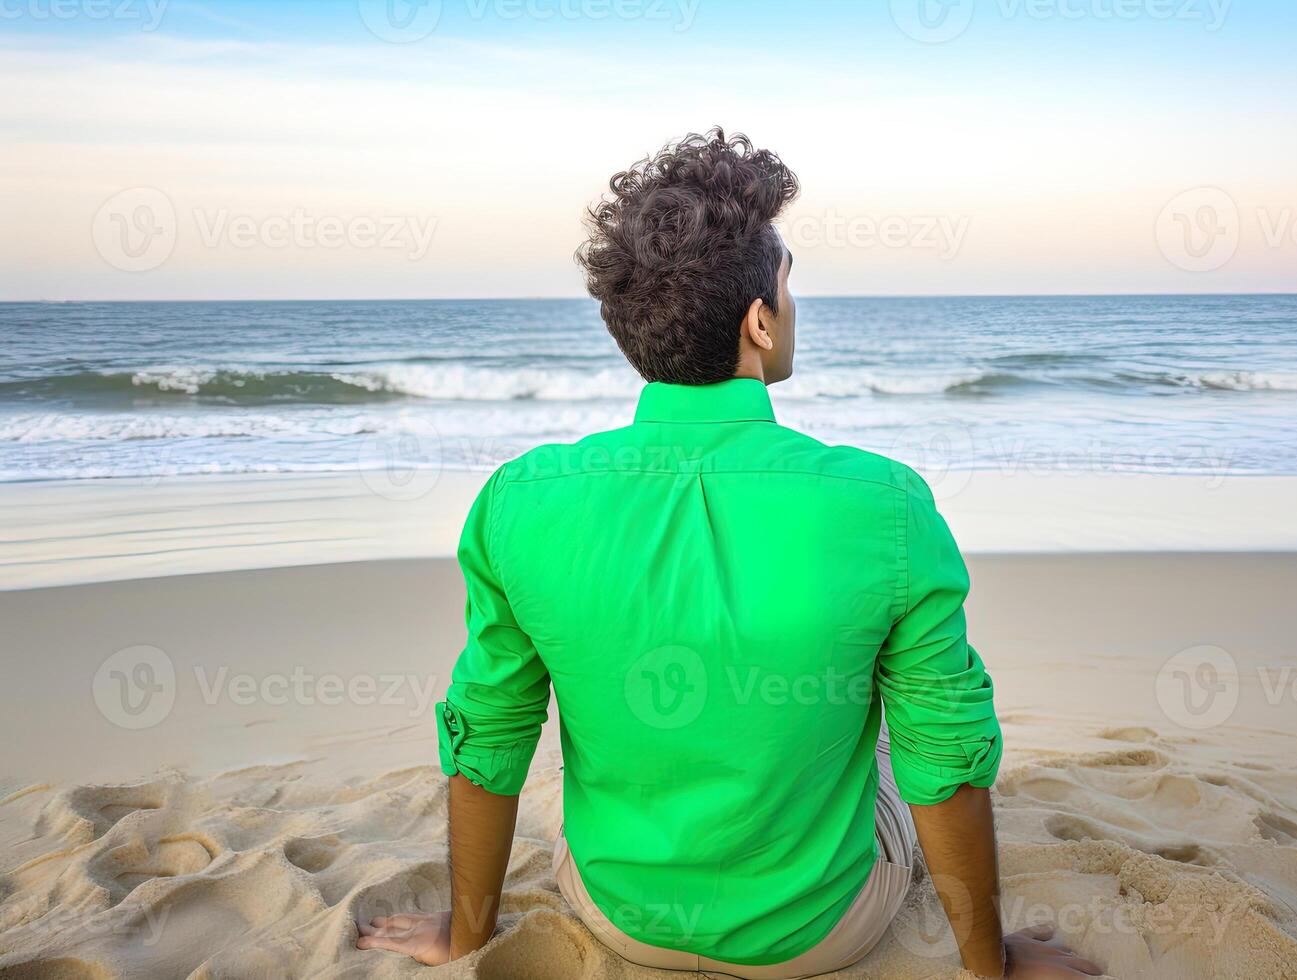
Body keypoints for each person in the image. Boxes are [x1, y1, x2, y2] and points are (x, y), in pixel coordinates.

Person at [356, 129, 1102, 979]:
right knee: (902, 738)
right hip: (822, 930)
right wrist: (990, 962)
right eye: (788, 288)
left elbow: (490, 739)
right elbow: (950, 770)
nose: (790, 308)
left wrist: (464, 935)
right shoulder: (884, 503)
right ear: (758, 319)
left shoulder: (520, 500)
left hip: (617, 915)